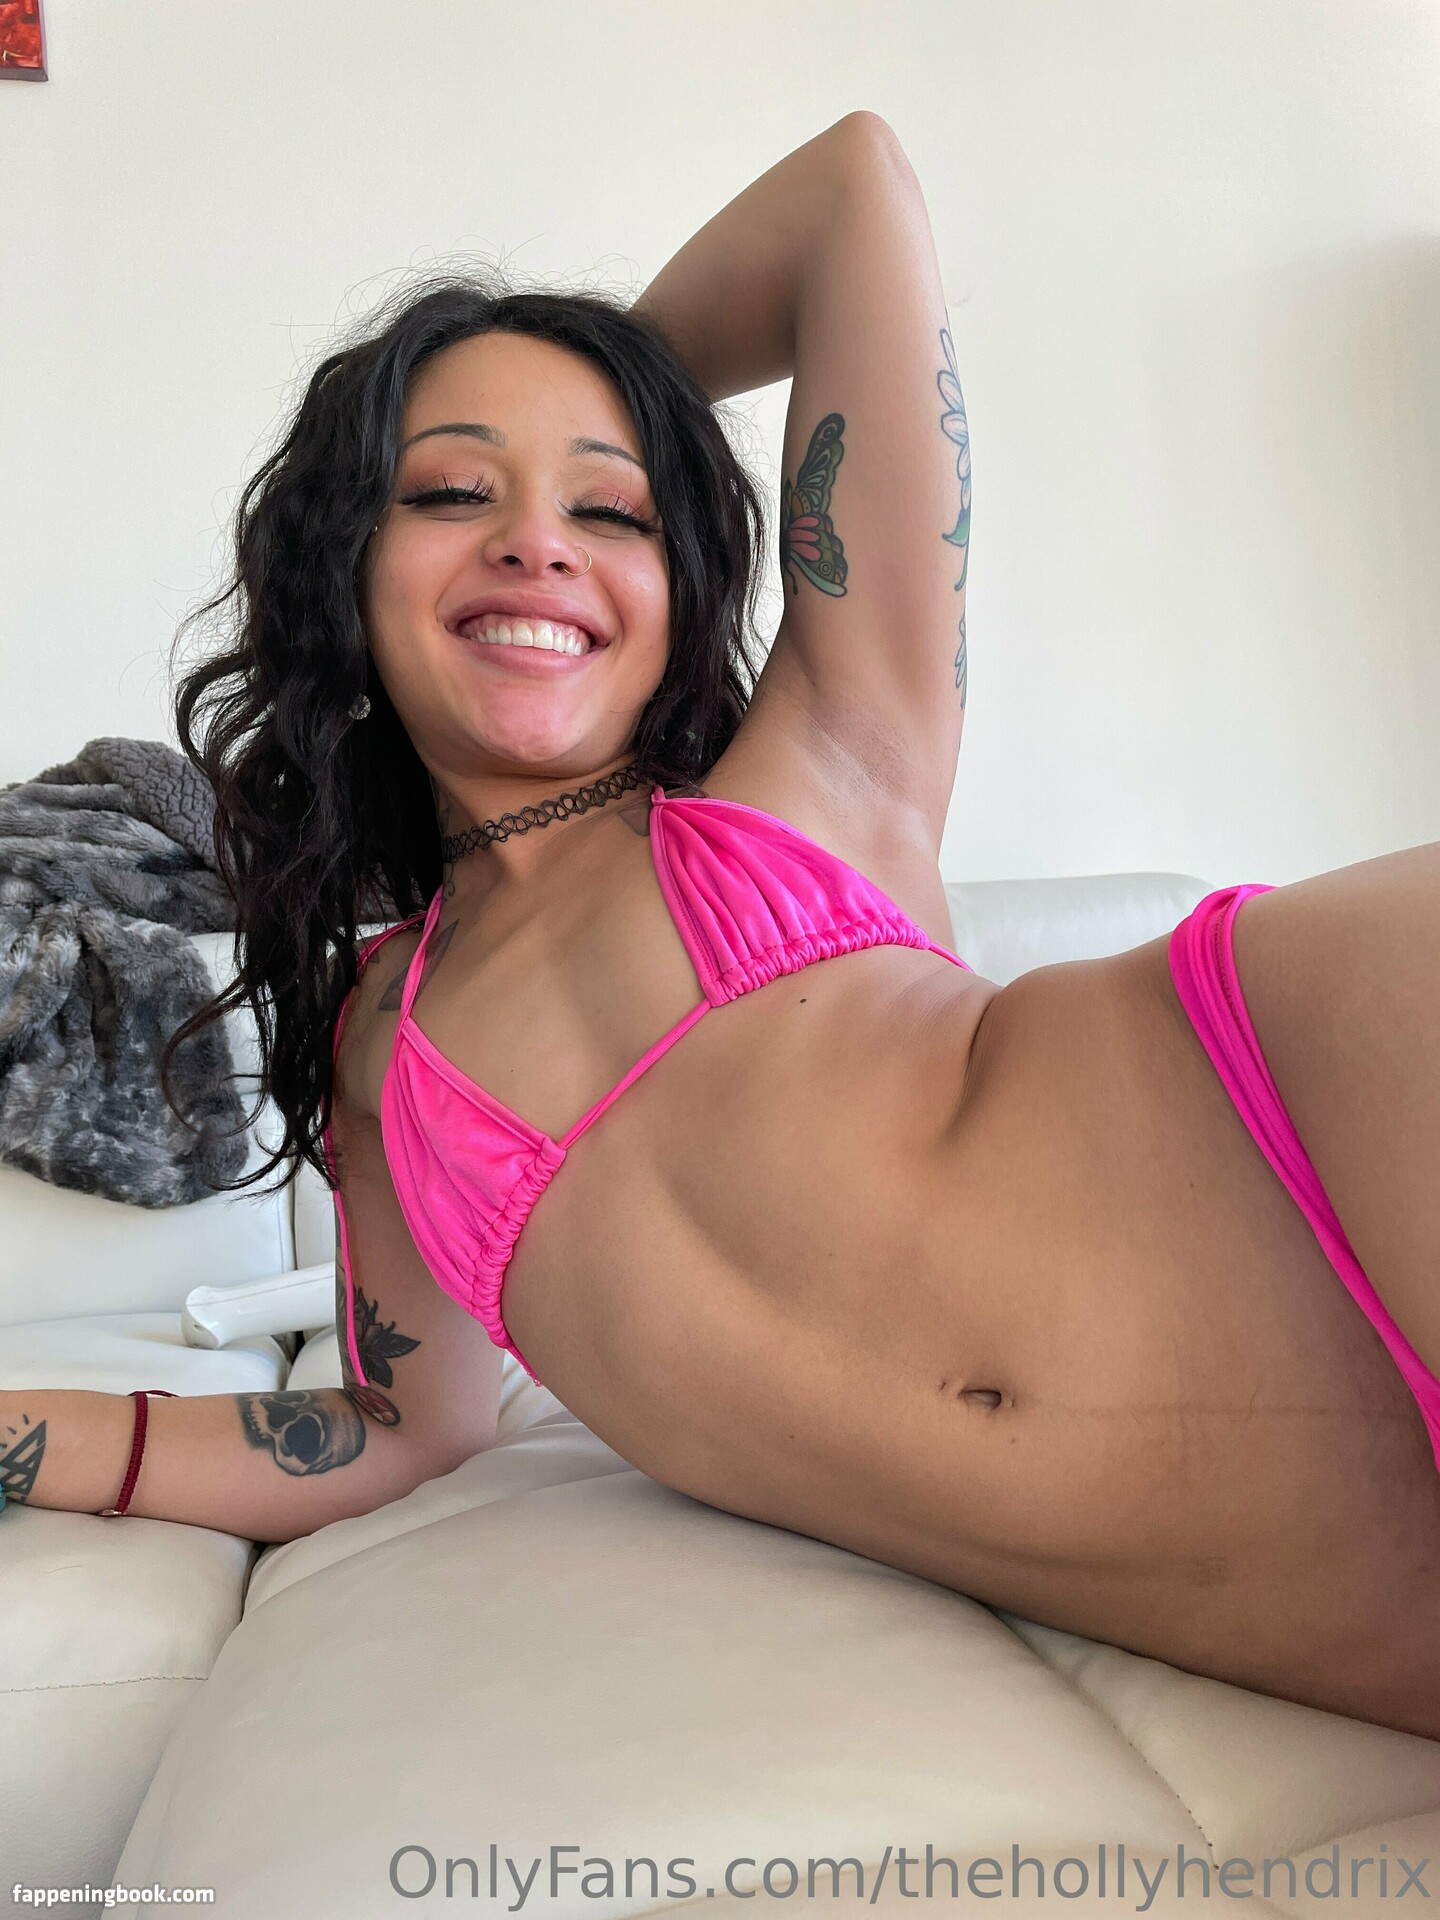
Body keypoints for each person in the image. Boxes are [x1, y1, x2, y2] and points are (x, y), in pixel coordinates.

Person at [4, 112, 1437, 1740]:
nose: (537, 537)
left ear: (680, 574)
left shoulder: (823, 752)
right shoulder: (385, 1052)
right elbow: (395, 1432)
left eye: (612, 510)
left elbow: (854, 189)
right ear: (344, 564)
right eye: (452, 489)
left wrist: (591, 391)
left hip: (1321, 1094)